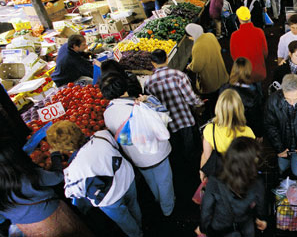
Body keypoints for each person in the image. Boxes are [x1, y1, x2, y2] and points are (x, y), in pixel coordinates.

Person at [46, 121, 142, 237]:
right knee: (133, 204)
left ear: (62, 149)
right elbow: (115, 148)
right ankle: (140, 223)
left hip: (110, 199)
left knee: (123, 219)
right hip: (127, 178)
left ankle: (137, 234)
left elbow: (73, 193)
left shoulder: (74, 171)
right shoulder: (102, 135)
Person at [100, 72, 175, 217]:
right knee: (164, 180)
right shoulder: (139, 107)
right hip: (157, 152)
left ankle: (158, 200)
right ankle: (168, 208)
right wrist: (149, 99)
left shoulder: (107, 113)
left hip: (136, 157)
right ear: (124, 88)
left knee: (151, 180)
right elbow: (164, 118)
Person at [0, 141, 93, 237]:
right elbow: (58, 177)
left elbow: (1, 219)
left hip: (27, 227)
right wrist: (55, 155)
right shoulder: (27, 175)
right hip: (53, 217)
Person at [198, 137, 267, 237]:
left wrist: (202, 229)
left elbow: (206, 210)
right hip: (245, 227)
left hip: (220, 228)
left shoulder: (214, 180)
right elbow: (261, 204)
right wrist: (261, 219)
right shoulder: (257, 181)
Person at [199, 89, 256, 181]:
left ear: (218, 108)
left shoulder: (210, 129)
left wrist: (202, 171)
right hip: (239, 177)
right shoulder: (247, 131)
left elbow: (207, 156)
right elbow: (251, 159)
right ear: (239, 109)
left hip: (219, 176)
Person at [186, 23, 229, 118]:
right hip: (220, 72)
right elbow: (219, 48)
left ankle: (217, 117)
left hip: (210, 79)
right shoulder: (210, 35)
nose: (190, 39)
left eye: (189, 37)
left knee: (213, 102)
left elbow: (197, 66)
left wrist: (189, 66)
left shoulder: (197, 46)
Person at [220, 57, 264, 138]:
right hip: (246, 132)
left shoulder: (224, 89)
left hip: (226, 131)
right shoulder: (253, 94)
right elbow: (256, 118)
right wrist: (259, 134)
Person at [230, 6, 268, 83]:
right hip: (258, 72)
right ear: (250, 16)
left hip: (243, 73)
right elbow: (265, 53)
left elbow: (234, 56)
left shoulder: (234, 35)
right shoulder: (259, 32)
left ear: (239, 19)